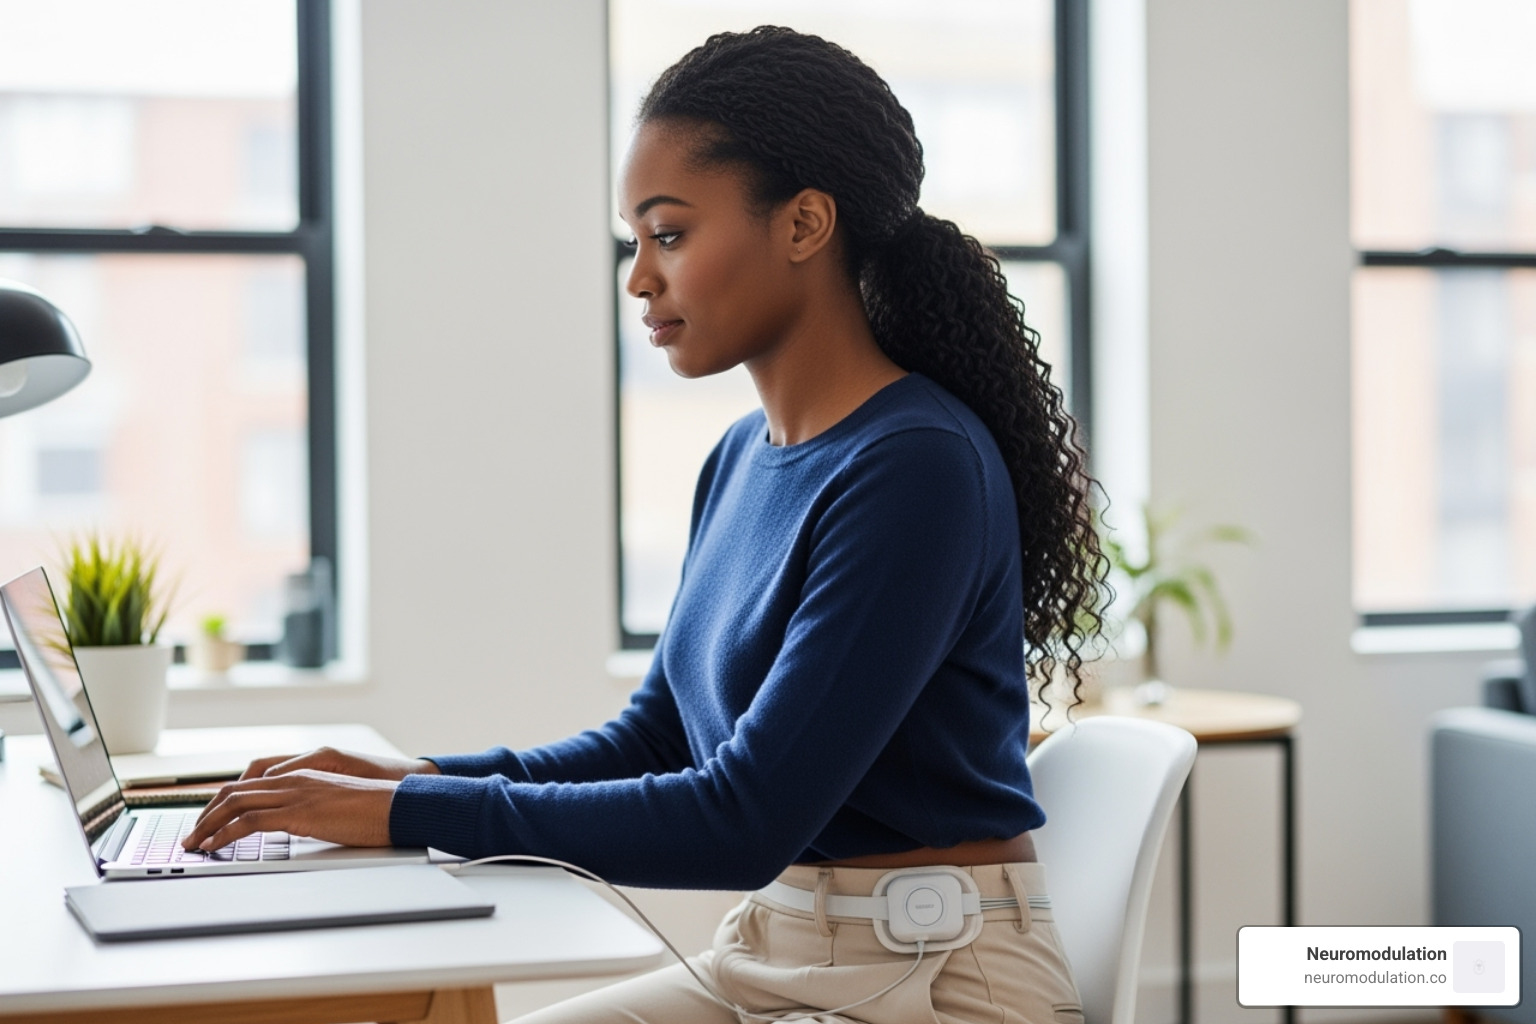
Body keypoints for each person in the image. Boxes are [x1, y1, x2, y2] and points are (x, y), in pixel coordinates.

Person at [183, 26, 1106, 1024]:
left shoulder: (918, 466)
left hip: (937, 982)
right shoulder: (741, 459)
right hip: (771, 953)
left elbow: (744, 816)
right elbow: (657, 735)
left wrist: (410, 812)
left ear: (804, 225)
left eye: (668, 235)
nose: (637, 278)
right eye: (635, 240)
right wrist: (418, 775)